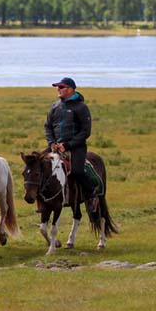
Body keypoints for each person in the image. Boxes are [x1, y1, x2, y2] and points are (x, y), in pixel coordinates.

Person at [45, 77, 99, 215]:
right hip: (55, 146)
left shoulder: (81, 107)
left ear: (70, 89)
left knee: (77, 171)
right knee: (37, 165)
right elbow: (48, 127)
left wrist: (68, 145)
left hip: (76, 147)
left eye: (61, 87)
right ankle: (43, 200)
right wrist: (52, 144)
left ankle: (92, 195)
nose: (58, 89)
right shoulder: (55, 106)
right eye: (57, 87)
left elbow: (85, 131)